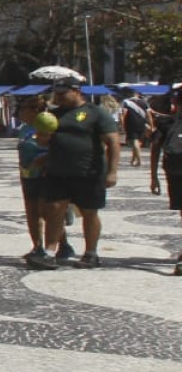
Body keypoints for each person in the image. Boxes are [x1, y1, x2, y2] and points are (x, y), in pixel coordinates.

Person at [32, 69, 119, 269]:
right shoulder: (53, 114)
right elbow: (45, 142)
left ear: (77, 91)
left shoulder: (95, 112)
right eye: (57, 94)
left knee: (89, 212)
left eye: (63, 94)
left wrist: (112, 171)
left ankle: (90, 253)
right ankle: (50, 252)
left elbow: (112, 141)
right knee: (54, 210)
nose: (59, 98)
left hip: (89, 172)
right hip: (58, 171)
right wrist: (43, 139)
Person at [15, 94, 53, 267]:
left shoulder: (46, 125)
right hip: (27, 175)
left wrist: (44, 159)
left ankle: (59, 245)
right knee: (31, 212)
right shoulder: (24, 129)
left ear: (34, 110)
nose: (19, 113)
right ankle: (37, 245)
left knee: (45, 212)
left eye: (22, 109)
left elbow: (54, 147)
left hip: (43, 175)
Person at [149, 85, 181, 276]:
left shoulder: (166, 122)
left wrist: (154, 178)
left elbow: (155, 149)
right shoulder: (167, 123)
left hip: (175, 173)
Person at [120, 89, 149, 167]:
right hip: (142, 123)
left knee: (134, 141)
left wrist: (123, 125)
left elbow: (124, 113)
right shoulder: (144, 102)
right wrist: (151, 125)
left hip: (131, 123)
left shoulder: (126, 102)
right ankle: (133, 160)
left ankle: (139, 160)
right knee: (137, 142)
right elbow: (148, 113)